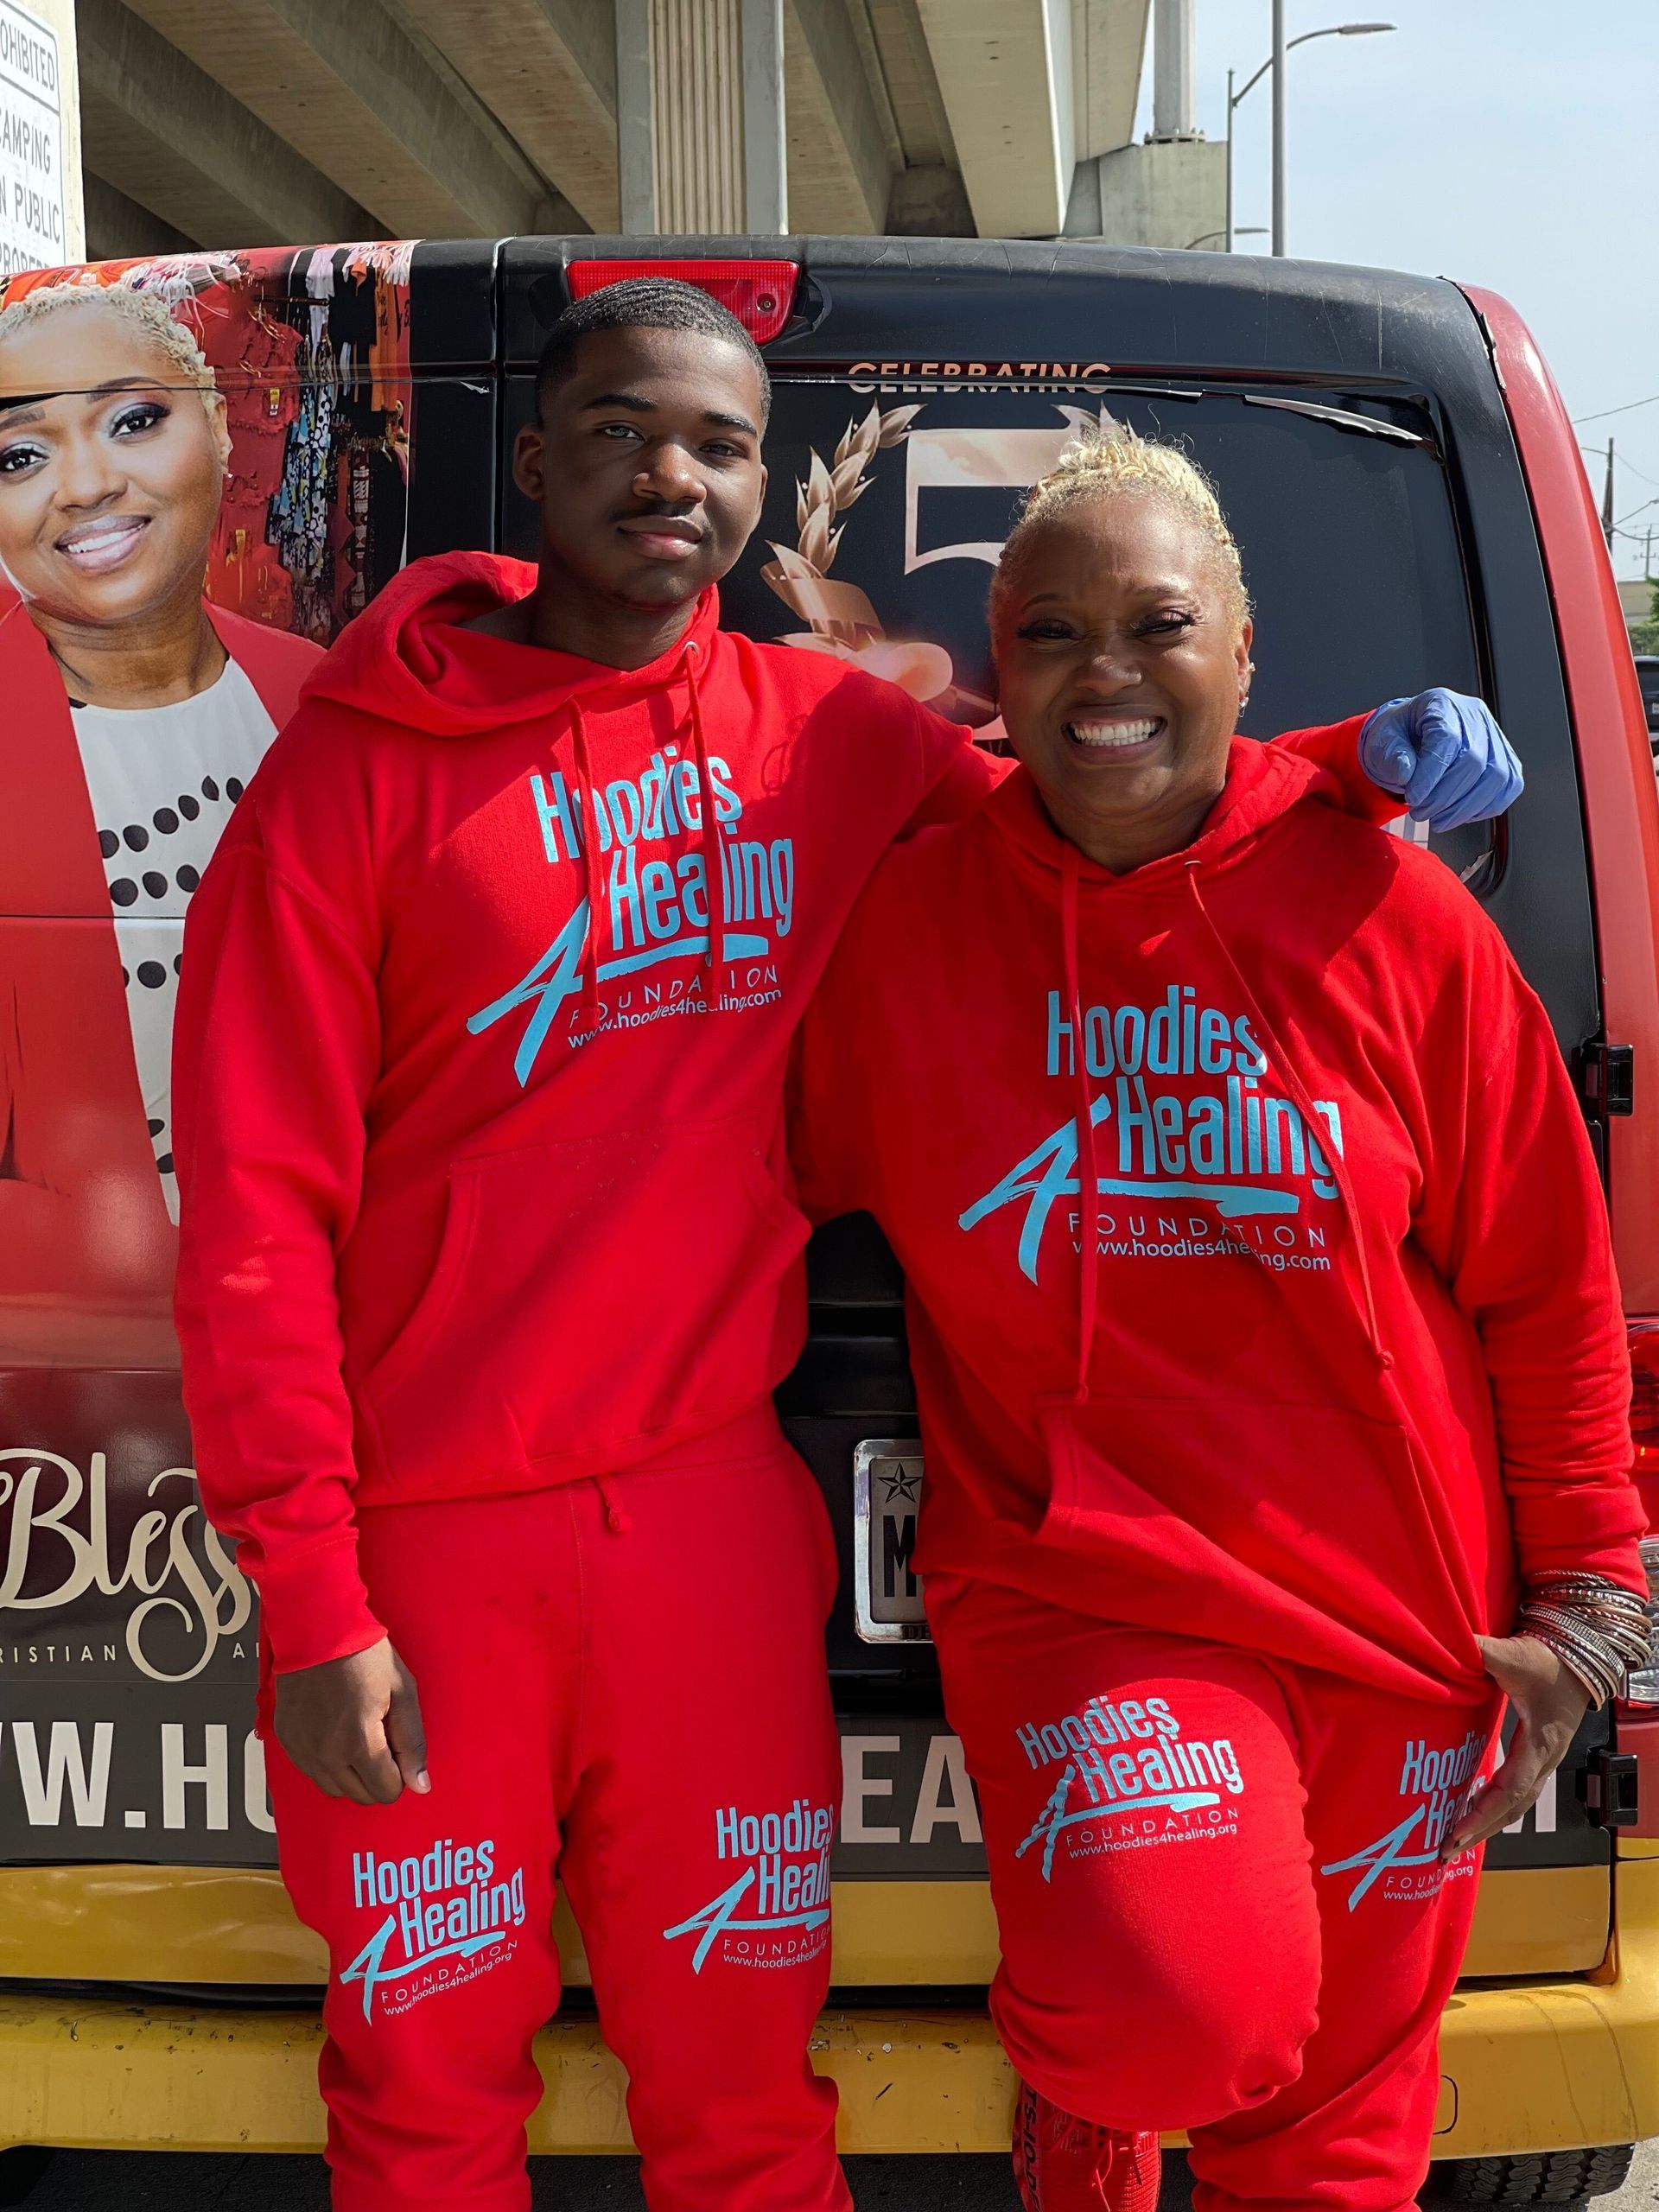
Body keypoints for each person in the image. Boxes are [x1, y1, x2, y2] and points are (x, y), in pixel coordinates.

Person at [171, 281, 1523, 2212]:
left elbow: (1107, 790)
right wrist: (310, 1594)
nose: (674, 476)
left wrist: (1338, 765)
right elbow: (251, 1215)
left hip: (714, 1522)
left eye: (722, 444)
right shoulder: (350, 783)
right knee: (421, 2087)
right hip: (430, 1532)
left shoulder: (826, 737)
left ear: (756, 488)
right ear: (535, 462)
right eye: (628, 431)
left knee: (742, 2092)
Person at [789, 430, 1649, 2212]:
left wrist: (1595, 1596)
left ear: (1246, 655)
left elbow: (1545, 1276)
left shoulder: (1394, 912)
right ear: (995, 670)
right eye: (1051, 633)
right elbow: (690, 1138)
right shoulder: (908, 931)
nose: (1106, 672)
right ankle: (1088, 2117)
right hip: (1089, 1582)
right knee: (1178, 2003)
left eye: (1158, 623)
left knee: (1341, 2131)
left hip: (1406, 1614)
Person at [0, 279, 319, 1363]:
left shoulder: (317, 702)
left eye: (134, 421)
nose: (87, 486)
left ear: (222, 428)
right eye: (20, 457)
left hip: (322, 1340)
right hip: (69, 1391)